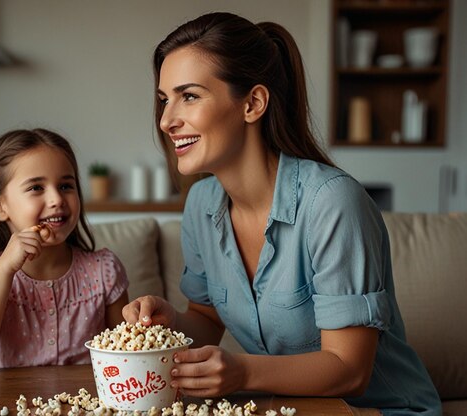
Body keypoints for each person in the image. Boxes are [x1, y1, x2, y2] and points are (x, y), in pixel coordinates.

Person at [122, 12, 441, 416]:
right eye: (164, 99)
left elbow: (349, 370)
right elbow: (207, 317)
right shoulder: (201, 205)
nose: (167, 120)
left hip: (382, 411)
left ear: (253, 103)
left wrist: (242, 373)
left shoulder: (332, 202)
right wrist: (171, 320)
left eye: (189, 96)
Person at [0, 128, 129, 373]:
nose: (56, 199)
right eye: (36, 188)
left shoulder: (104, 270)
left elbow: (127, 356)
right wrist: (3, 270)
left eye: (66, 186)